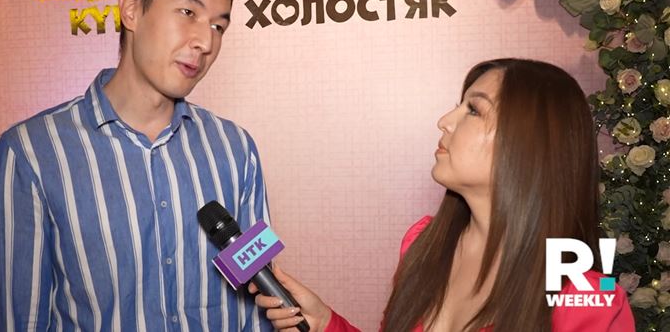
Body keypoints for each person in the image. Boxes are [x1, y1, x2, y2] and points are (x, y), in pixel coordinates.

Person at [0, 0, 272, 331]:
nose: (206, 42)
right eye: (188, 13)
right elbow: (13, 320)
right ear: (131, 9)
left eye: (219, 26)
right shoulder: (29, 154)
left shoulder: (236, 149)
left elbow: (259, 298)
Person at [251, 59, 635, 332]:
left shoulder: (589, 303)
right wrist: (325, 323)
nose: (445, 121)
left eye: (474, 110)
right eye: (458, 106)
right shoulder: (423, 243)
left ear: (529, 144)